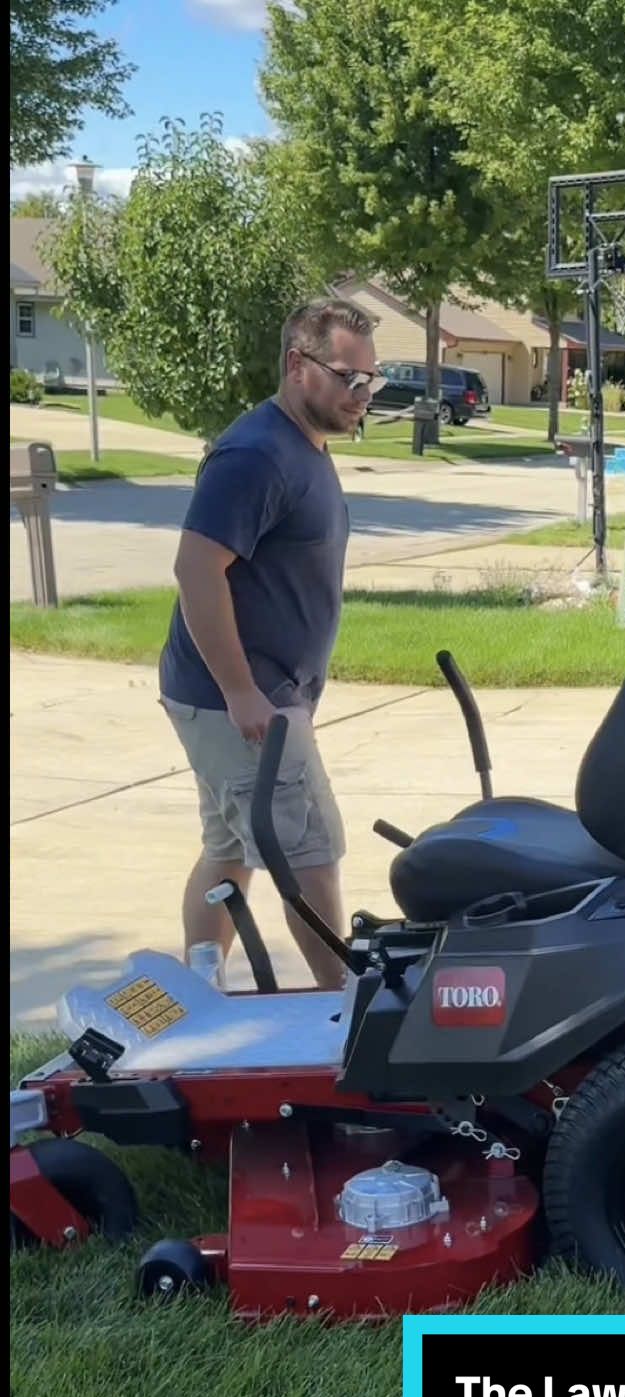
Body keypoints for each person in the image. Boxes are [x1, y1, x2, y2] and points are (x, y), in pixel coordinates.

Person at [158, 297, 385, 988]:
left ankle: (200, 986)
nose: (362, 393)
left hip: (238, 695)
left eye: (370, 378)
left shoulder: (302, 445)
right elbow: (196, 568)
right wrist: (240, 691)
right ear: (297, 364)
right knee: (307, 852)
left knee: (229, 846)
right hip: (241, 702)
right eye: (348, 377)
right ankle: (341, 1011)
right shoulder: (257, 455)